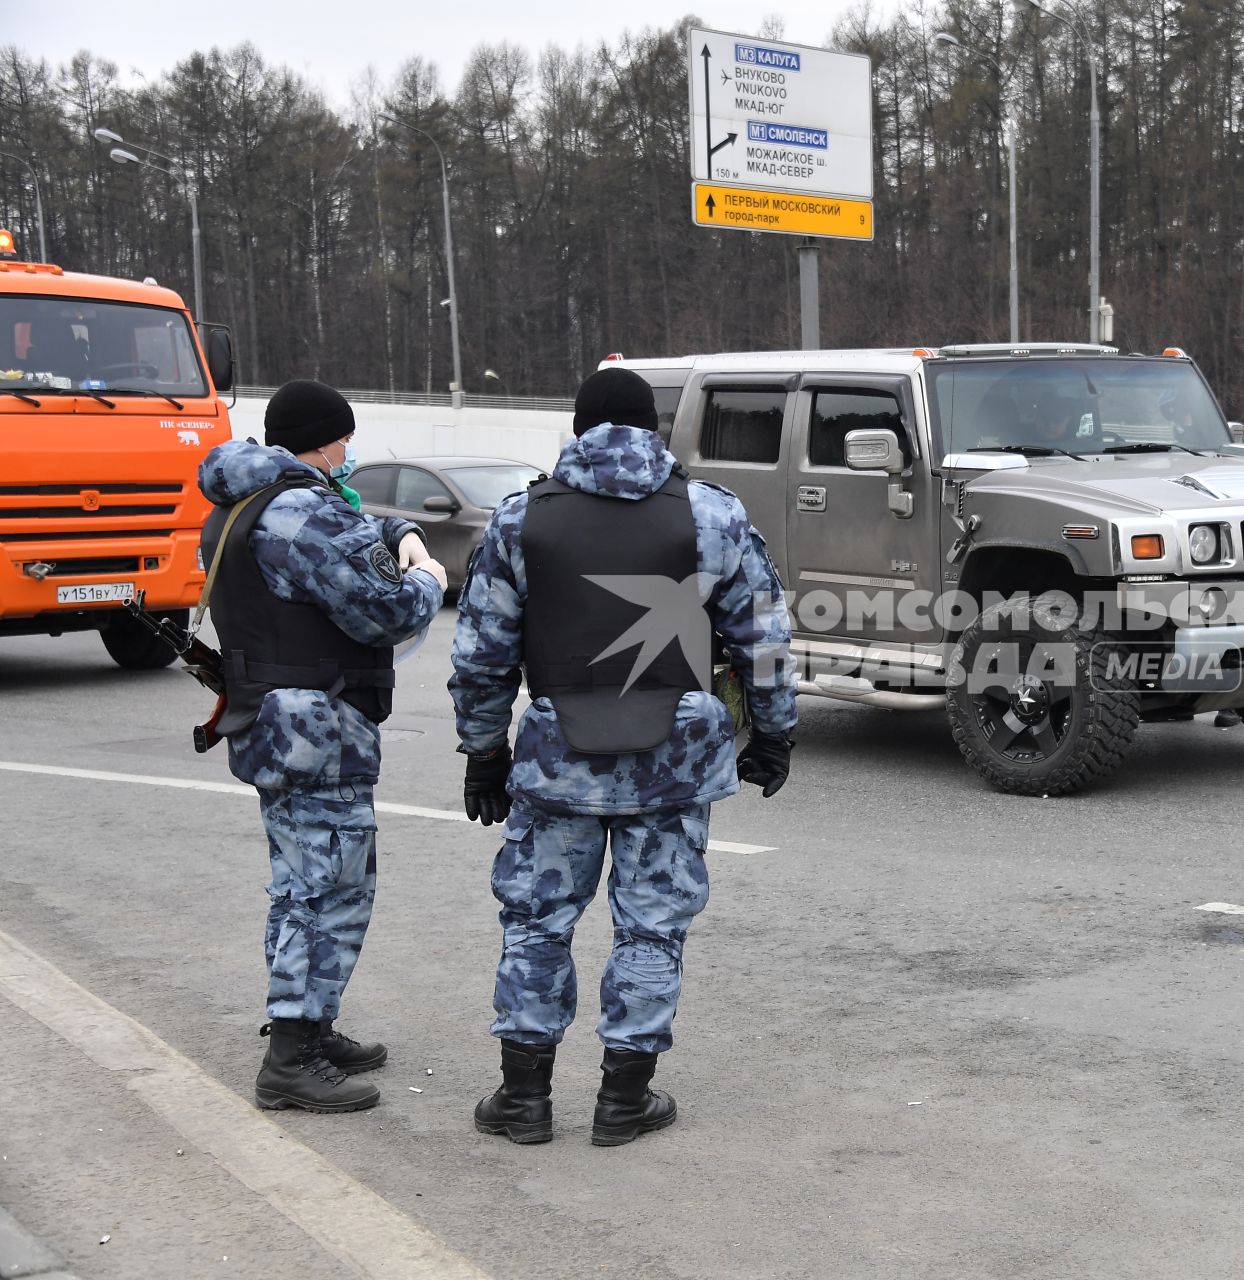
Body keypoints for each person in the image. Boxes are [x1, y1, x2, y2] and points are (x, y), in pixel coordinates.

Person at [449, 367, 796, 1147]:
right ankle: (624, 1100)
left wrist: (482, 752)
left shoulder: (521, 519)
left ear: (575, 429)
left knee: (537, 923)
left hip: (556, 756)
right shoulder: (712, 514)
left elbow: (480, 657)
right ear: (655, 430)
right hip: (673, 759)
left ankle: (524, 1101)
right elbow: (763, 641)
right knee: (651, 926)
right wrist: (772, 733)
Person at [196, 380, 447, 1114]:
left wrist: (384, 530)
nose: (349, 451)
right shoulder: (303, 513)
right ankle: (292, 1058)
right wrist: (428, 578)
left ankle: (310, 1023)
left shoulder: (240, 504)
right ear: (328, 440)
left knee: (297, 881)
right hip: (318, 730)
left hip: (273, 722)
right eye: (344, 438)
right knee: (329, 884)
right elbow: (385, 612)